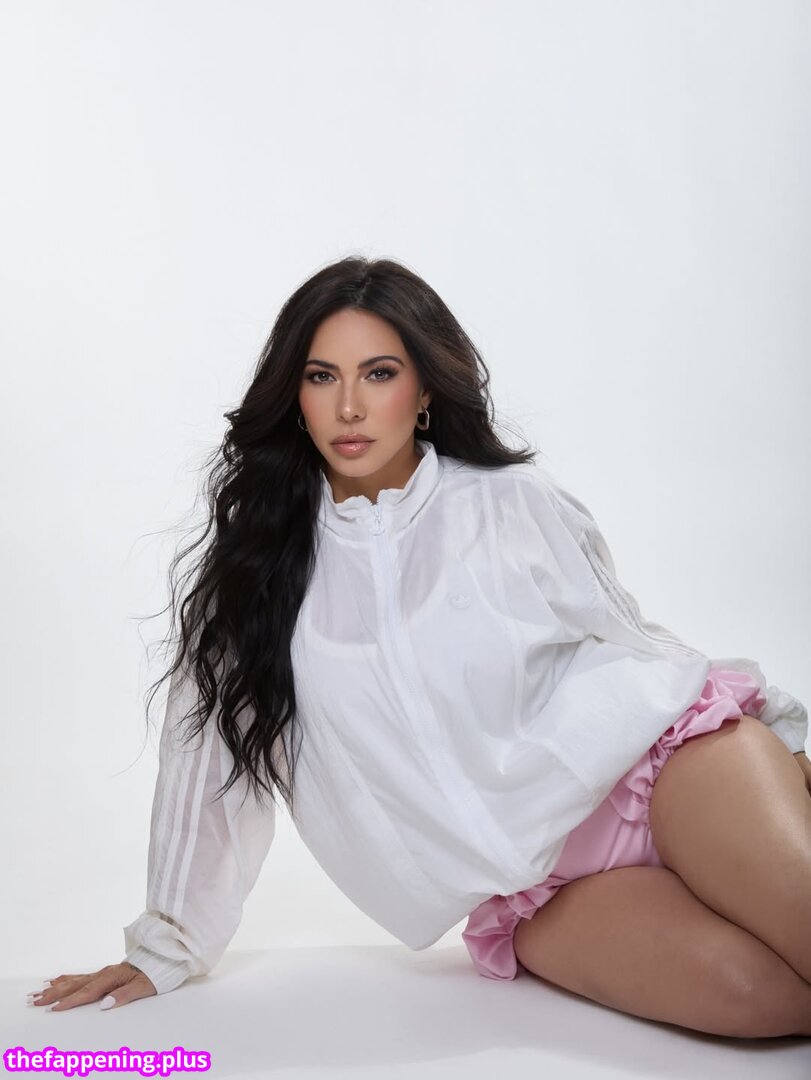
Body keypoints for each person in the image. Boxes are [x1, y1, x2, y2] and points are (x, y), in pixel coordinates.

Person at [28, 257, 811, 1039]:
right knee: (767, 1004)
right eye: (321, 376)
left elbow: (627, 634)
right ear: (294, 396)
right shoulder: (255, 579)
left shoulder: (509, 503)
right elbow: (205, 764)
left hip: (669, 773)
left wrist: (780, 740)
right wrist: (165, 945)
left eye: (378, 373)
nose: (349, 406)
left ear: (426, 389)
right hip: (541, 894)